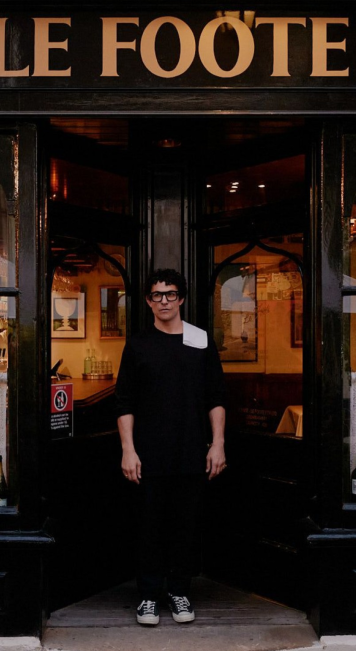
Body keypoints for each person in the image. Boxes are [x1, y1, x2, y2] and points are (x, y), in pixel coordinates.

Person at [115, 268, 226, 626]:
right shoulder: (137, 345)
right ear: (148, 301)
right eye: (156, 295)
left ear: (181, 299)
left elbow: (216, 398)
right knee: (148, 526)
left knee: (185, 526)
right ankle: (148, 596)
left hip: (192, 450)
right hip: (148, 454)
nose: (164, 301)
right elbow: (124, 402)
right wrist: (128, 450)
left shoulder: (201, 341)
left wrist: (218, 444)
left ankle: (179, 592)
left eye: (170, 294)